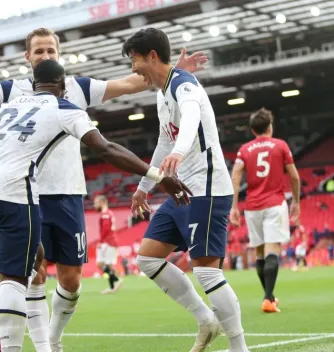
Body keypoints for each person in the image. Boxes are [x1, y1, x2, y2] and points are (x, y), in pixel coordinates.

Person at [0, 27, 207, 352]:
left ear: (58, 53)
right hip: (24, 192)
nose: (46, 55)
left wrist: (170, 73)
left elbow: (131, 82)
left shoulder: (78, 87)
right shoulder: (12, 92)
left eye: (51, 50)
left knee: (71, 279)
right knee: (29, 271)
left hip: (66, 192)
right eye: (39, 51)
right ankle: (35, 343)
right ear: (27, 56)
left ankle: (41, 337)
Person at [121, 28, 249, 352]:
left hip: (206, 186)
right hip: (183, 191)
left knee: (206, 272)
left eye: (135, 61)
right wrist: (143, 187)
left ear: (151, 56)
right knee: (148, 259)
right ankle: (206, 320)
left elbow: (191, 115)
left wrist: (180, 150)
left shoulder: (183, 84)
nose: (133, 70)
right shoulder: (164, 91)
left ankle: (239, 347)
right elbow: (164, 141)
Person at [230, 107, 301, 313]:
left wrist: (234, 205)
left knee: (260, 253)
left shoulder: (244, 150)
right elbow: (294, 176)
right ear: (270, 127)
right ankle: (268, 299)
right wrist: (296, 201)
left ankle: (269, 297)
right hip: (274, 204)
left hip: (252, 207)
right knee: (272, 251)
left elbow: (235, 175)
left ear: (253, 130)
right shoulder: (280, 146)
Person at [93, 195, 122, 294]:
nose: (94, 205)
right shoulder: (108, 213)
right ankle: (112, 287)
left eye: (96, 203)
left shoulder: (105, 214)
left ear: (102, 202)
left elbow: (106, 228)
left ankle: (117, 280)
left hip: (108, 242)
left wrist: (101, 241)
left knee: (101, 264)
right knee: (107, 266)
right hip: (109, 242)